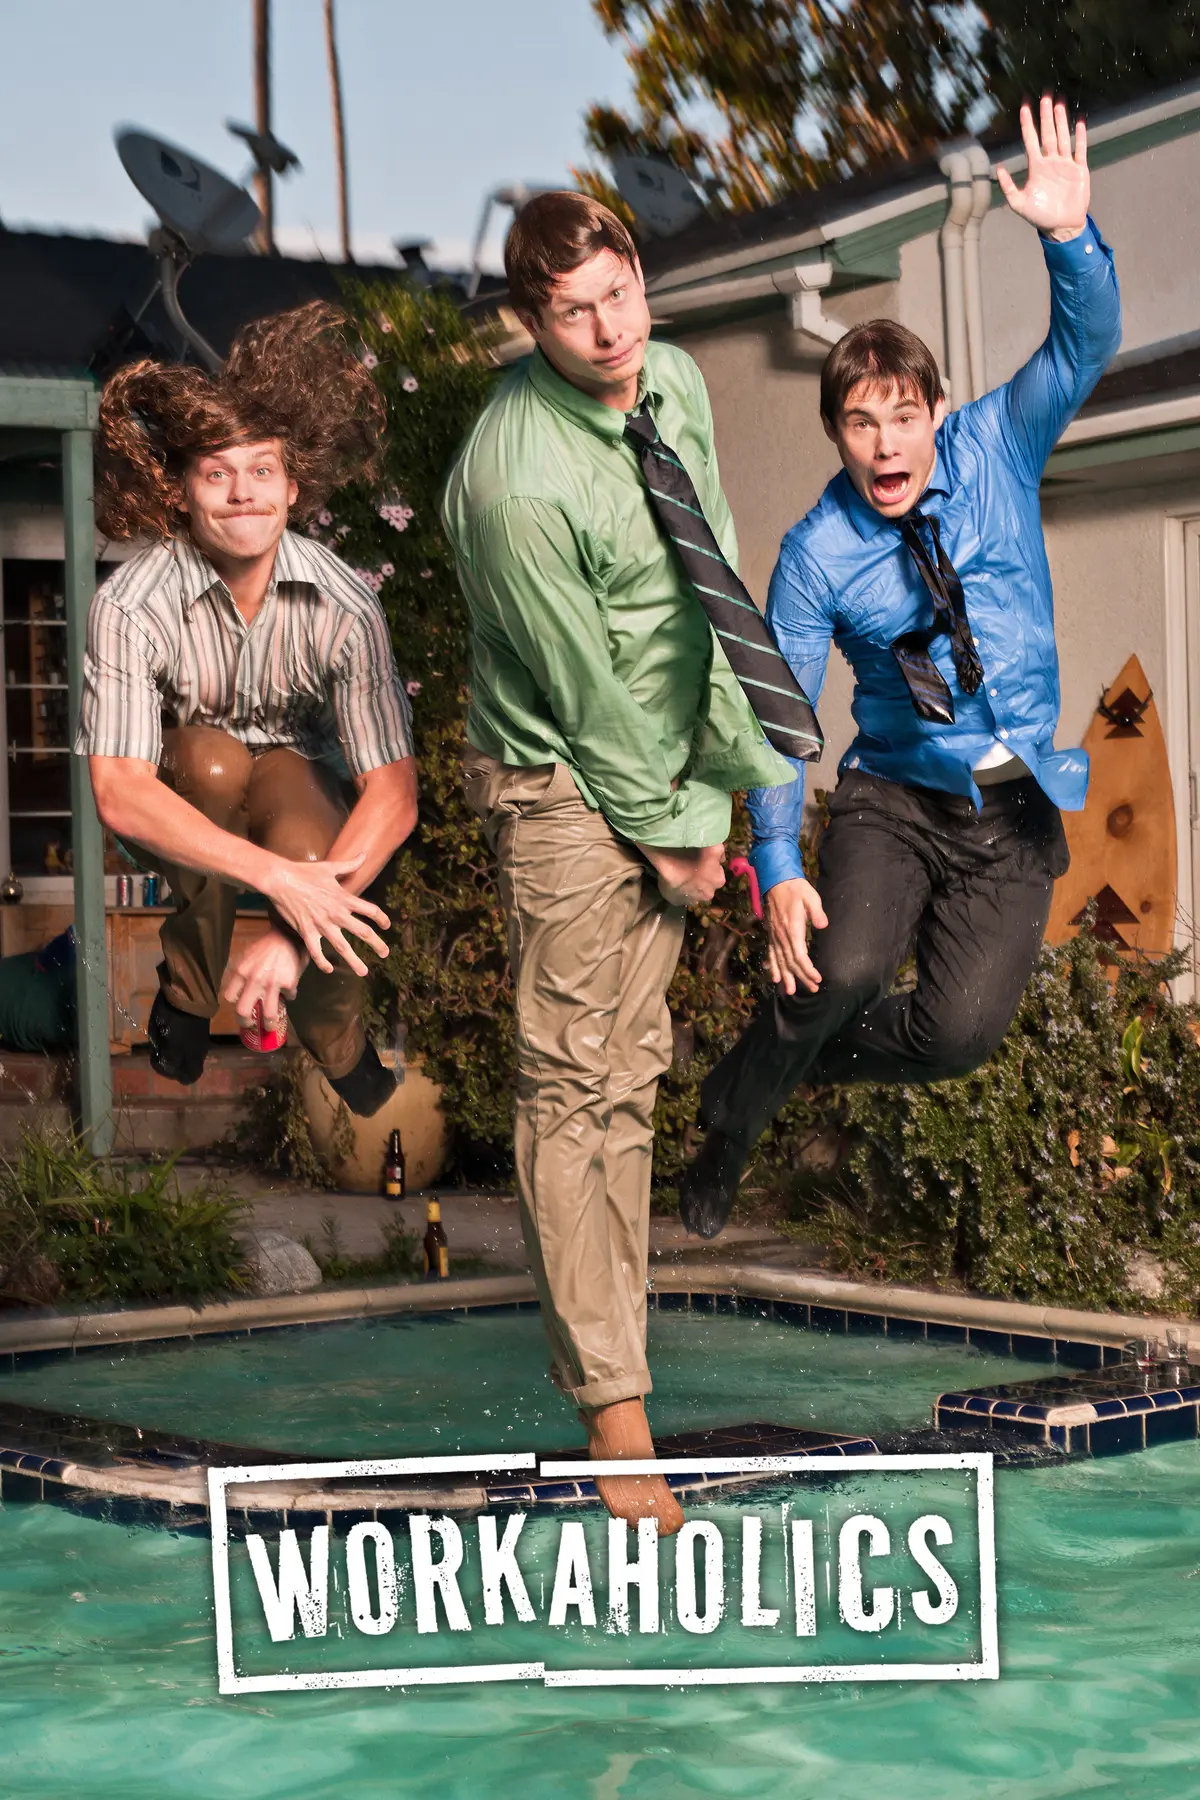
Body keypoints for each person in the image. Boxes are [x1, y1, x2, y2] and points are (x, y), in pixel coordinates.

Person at [679, 98, 1122, 1238]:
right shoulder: (818, 551)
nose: (885, 444)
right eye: (860, 423)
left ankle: (780, 1068)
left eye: (903, 416)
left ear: (936, 414)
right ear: (836, 433)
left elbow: (1082, 348)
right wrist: (778, 859)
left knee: (960, 1037)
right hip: (895, 797)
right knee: (842, 973)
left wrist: (1068, 237)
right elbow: (780, 711)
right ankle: (733, 1126)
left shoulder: (999, 446)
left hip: (1013, 808)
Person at [442, 192, 816, 1532]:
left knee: (631, 1076)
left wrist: (722, 791)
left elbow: (711, 583)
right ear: (528, 323)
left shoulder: (675, 381)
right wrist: (669, 832)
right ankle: (615, 1415)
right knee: (571, 1082)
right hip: (560, 784)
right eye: (574, 312)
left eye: (622, 293)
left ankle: (620, 1375)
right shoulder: (512, 483)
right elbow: (584, 691)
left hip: (666, 770)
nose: (609, 331)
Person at [77, 302, 417, 1115]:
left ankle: (336, 1036)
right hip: (189, 785)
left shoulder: (344, 604)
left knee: (309, 843)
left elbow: (394, 795)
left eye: (262, 471)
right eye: (216, 474)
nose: (242, 495)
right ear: (180, 491)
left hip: (300, 780)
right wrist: (271, 879)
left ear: (293, 488)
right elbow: (118, 789)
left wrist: (290, 930)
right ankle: (190, 991)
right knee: (212, 762)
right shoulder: (131, 604)